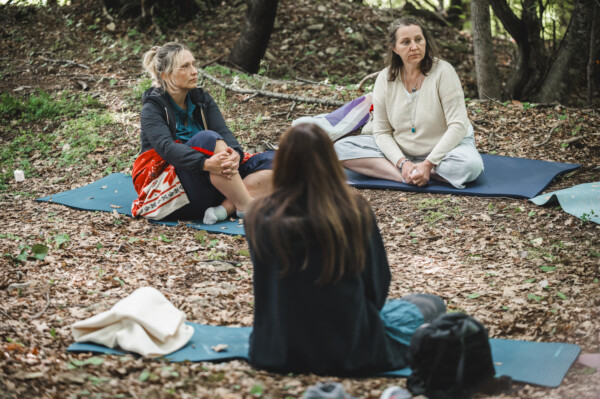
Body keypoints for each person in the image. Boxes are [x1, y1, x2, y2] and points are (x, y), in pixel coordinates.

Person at [245, 123, 446, 376]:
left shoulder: (258, 215)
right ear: (330, 161)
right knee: (430, 303)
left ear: (282, 162)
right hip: (350, 348)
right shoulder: (352, 212)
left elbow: (267, 284)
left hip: (277, 349)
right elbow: (377, 288)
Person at [131, 42, 273, 223]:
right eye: (185, 67)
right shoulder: (152, 108)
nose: (194, 71)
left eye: (193, 64)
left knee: (274, 160)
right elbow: (166, 149)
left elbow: (225, 133)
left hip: (213, 177)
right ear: (166, 75)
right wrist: (205, 164)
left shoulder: (201, 99)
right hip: (176, 188)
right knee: (208, 138)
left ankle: (224, 208)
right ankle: (247, 207)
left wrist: (235, 155)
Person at [335, 17, 484, 189]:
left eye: (418, 40)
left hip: (445, 151)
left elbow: (458, 125)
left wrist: (428, 163)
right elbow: (382, 131)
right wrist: (402, 163)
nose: (414, 47)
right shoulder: (385, 78)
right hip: (403, 150)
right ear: (394, 48)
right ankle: (407, 175)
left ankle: (423, 172)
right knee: (341, 149)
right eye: (406, 42)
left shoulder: (444, 72)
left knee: (471, 166)